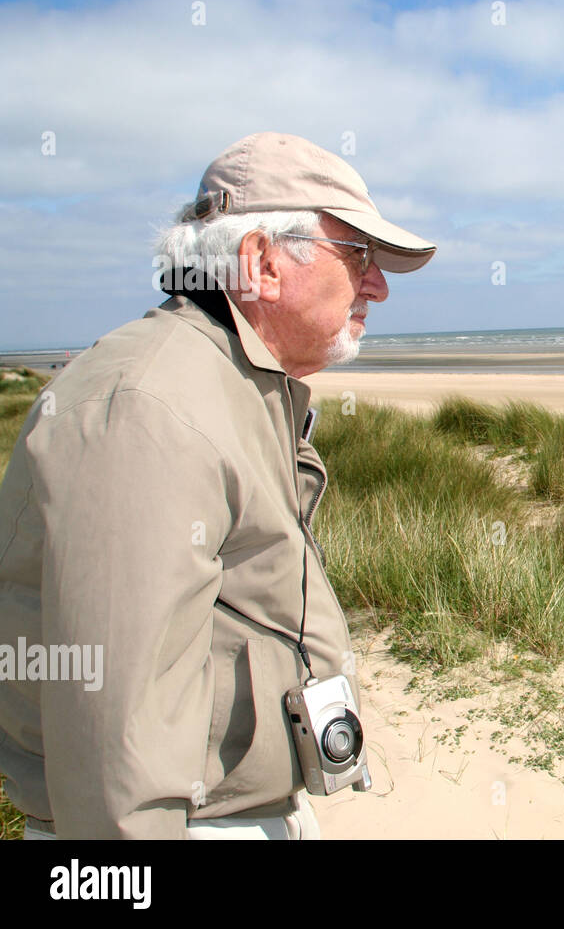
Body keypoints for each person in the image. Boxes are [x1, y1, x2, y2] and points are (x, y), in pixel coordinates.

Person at [0, 132, 436, 838]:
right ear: (261, 262)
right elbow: (115, 755)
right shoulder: (146, 409)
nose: (378, 283)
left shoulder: (236, 380)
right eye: (358, 254)